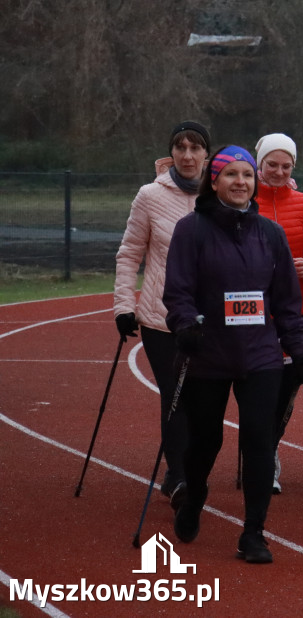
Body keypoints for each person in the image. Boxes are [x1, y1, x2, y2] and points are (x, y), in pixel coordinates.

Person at [164, 145, 303, 564]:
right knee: (205, 441)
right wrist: (185, 323)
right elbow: (177, 290)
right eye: (231, 175)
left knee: (258, 441)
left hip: (261, 356)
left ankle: (254, 532)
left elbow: (285, 300)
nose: (241, 183)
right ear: (215, 181)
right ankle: (194, 495)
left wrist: (297, 352)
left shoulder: (271, 234)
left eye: (247, 175)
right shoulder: (190, 229)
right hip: (208, 354)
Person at [114, 120, 210, 510]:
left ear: (207, 153)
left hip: (208, 320)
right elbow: (129, 253)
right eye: (180, 147)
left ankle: (194, 467)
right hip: (160, 317)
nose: (187, 155)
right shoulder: (150, 196)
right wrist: (124, 305)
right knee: (175, 396)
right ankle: (178, 474)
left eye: (195, 148)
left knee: (204, 397)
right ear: (171, 152)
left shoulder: (221, 193)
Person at [254, 132, 303, 494]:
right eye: (272, 165)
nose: (278, 172)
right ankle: (260, 453)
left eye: (286, 165)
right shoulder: (246, 198)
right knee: (258, 386)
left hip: (291, 309)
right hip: (251, 311)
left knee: (287, 385)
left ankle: (271, 447)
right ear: (259, 164)